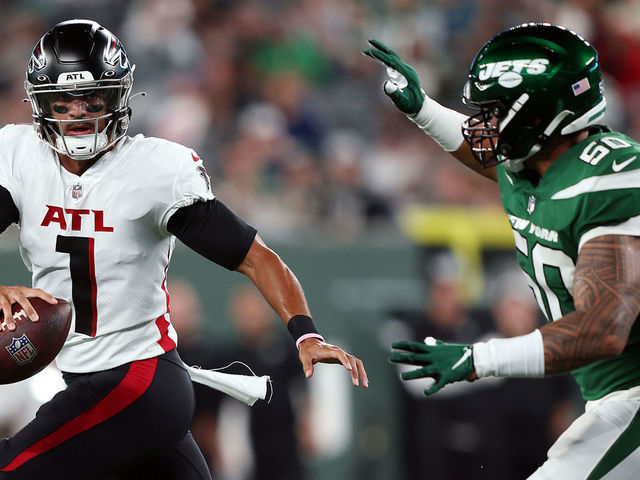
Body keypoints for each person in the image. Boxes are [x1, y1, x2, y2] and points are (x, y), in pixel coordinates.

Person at [0, 19, 368, 480]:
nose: (79, 112)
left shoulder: (153, 170)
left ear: (119, 97)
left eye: (93, 98)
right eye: (64, 100)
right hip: (90, 384)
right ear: (41, 103)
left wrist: (306, 334)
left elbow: (256, 257)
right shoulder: (19, 158)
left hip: (139, 381)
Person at [365, 22, 640, 479]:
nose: (481, 124)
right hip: (615, 397)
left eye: (494, 113)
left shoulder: (609, 178)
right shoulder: (531, 162)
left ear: (539, 116)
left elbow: (603, 328)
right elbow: (486, 153)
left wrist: (480, 359)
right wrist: (422, 109)